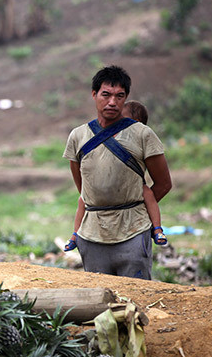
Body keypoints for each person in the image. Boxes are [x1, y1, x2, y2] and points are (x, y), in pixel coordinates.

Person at [62, 65, 172, 279]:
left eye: (119, 96)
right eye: (106, 95)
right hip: (93, 233)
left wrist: (135, 206)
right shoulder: (78, 136)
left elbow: (164, 183)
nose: (112, 102)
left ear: (126, 98)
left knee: (137, 298)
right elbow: (83, 187)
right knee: (100, 298)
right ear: (94, 95)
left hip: (133, 231)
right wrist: (102, 204)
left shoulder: (142, 134)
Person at [65, 100, 167, 251]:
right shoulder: (83, 135)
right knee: (83, 200)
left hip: (133, 197)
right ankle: (75, 234)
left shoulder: (140, 136)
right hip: (96, 219)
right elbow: (80, 182)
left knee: (148, 195)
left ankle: (158, 230)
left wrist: (133, 209)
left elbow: (164, 183)